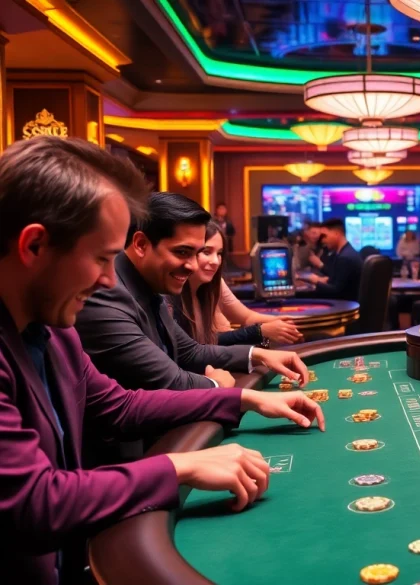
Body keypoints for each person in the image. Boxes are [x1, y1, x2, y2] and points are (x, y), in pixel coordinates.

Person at [0, 136, 325, 585]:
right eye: (101, 258)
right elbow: (33, 503)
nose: (109, 280)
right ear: (34, 246)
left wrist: (244, 400)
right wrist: (181, 465)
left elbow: (120, 406)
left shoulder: (55, 329)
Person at [75, 192, 308, 392]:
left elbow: (189, 351)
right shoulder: (107, 292)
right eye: (182, 252)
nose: (194, 265)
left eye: (196, 253)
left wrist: (258, 355)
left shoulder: (150, 283)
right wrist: (215, 385)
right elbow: (168, 379)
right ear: (141, 244)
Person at [171, 221, 303, 347]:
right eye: (207, 252)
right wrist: (260, 331)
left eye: (219, 253)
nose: (216, 261)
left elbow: (247, 317)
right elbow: (198, 346)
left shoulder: (215, 283)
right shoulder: (170, 296)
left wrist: (282, 322)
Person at [299, 218, 362, 301]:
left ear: (336, 234)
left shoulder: (345, 257)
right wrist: (324, 280)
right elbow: (337, 282)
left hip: (345, 305)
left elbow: (336, 292)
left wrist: (316, 281)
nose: (323, 240)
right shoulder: (345, 252)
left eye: (325, 236)